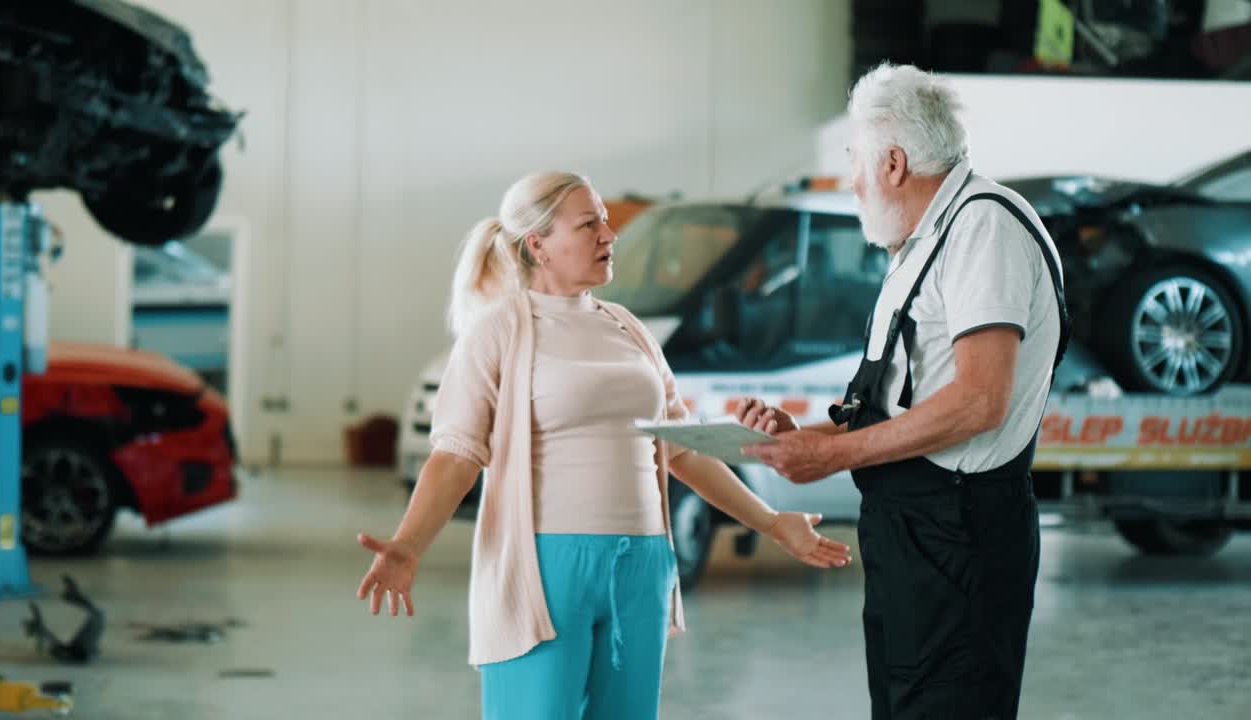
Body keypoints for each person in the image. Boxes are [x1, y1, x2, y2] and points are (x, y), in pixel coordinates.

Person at [355, 171, 853, 720]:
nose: (608, 235)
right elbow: (456, 454)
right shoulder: (498, 331)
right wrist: (408, 545)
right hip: (545, 567)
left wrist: (770, 521)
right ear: (537, 245)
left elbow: (681, 450)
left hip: (642, 563)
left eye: (606, 221)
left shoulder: (629, 328)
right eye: (588, 223)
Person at [737, 64, 1070, 720]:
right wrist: (803, 437)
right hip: (910, 535)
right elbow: (895, 405)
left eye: (854, 161)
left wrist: (831, 459)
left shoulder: (983, 229)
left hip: (961, 536)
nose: (851, 179)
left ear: (892, 163)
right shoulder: (917, 247)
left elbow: (979, 400)